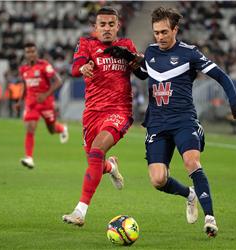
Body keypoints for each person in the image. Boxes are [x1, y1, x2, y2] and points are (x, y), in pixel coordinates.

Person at [104, 7, 236, 238]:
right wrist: (129, 59)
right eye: (156, 33)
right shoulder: (150, 52)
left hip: (183, 120)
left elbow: (221, 75)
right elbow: (146, 74)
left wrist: (234, 102)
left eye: (163, 32)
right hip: (157, 123)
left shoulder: (189, 54)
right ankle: (190, 195)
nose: (159, 37)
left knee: (192, 162)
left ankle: (210, 218)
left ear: (175, 30)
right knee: (158, 180)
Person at [62, 6, 142, 227]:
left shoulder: (126, 45)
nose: (107, 28)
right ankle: (111, 167)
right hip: (92, 114)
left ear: (118, 26)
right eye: (102, 25)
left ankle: (80, 212)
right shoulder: (87, 43)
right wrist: (83, 68)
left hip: (119, 111)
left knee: (97, 150)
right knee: (94, 160)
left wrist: (138, 60)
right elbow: (75, 66)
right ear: (95, 27)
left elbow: (141, 71)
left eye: (111, 24)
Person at [16, 42, 68, 169]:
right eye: (28, 52)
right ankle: (29, 158)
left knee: (51, 130)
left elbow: (58, 82)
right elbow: (25, 86)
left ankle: (62, 129)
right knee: (30, 128)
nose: (31, 54)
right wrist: (20, 101)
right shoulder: (23, 69)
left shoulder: (44, 65)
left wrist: (45, 95)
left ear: (36, 52)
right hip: (31, 103)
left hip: (46, 103)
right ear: (25, 54)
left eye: (33, 51)